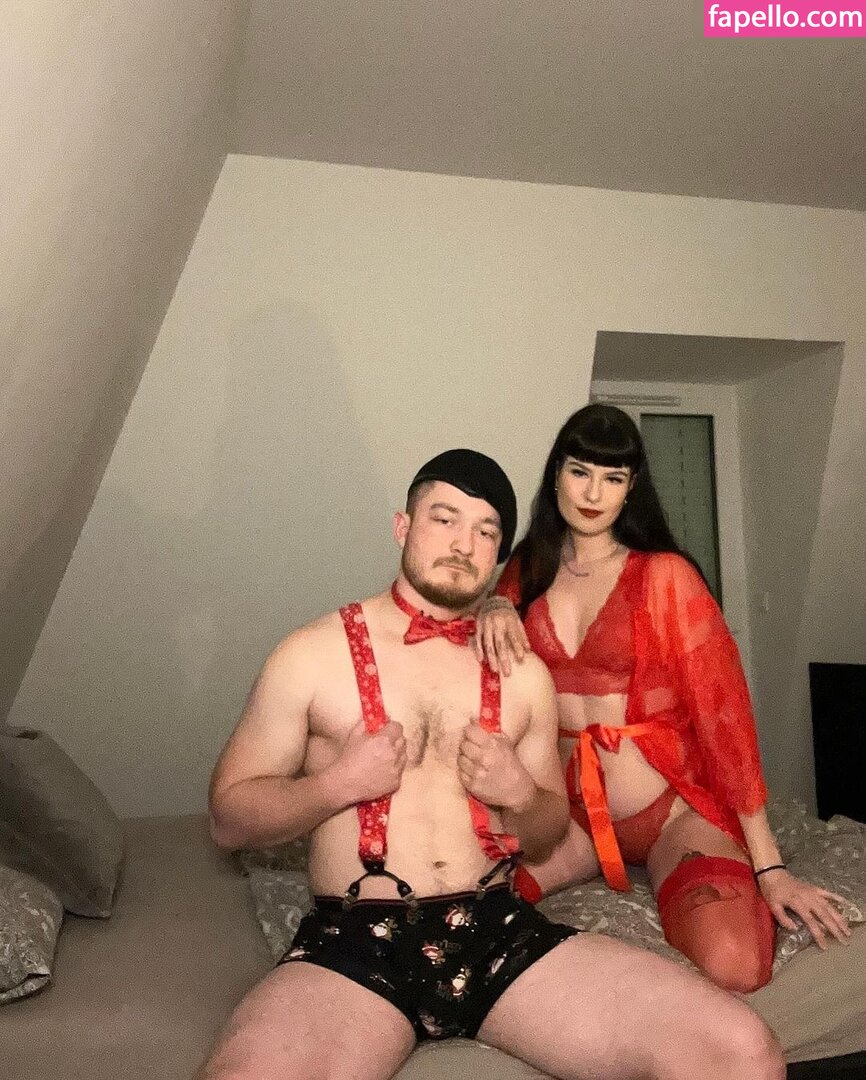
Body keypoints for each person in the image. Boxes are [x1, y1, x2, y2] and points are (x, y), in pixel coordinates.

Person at [199, 448, 785, 1080]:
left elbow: (548, 832)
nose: (463, 544)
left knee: (741, 1049)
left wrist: (521, 794)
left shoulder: (521, 674)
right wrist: (336, 785)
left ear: (499, 555)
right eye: (444, 519)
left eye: (485, 532)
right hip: (355, 943)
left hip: (496, 931)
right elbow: (229, 820)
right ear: (403, 526)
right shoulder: (310, 655)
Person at [474, 405, 850, 994]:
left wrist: (770, 866)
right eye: (580, 472)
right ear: (556, 476)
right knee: (466, 906)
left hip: (668, 811)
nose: (593, 493)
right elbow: (482, 650)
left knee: (735, 962)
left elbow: (724, 716)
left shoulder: (664, 574)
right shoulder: (526, 572)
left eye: (613, 478)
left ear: (632, 488)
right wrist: (494, 604)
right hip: (567, 819)